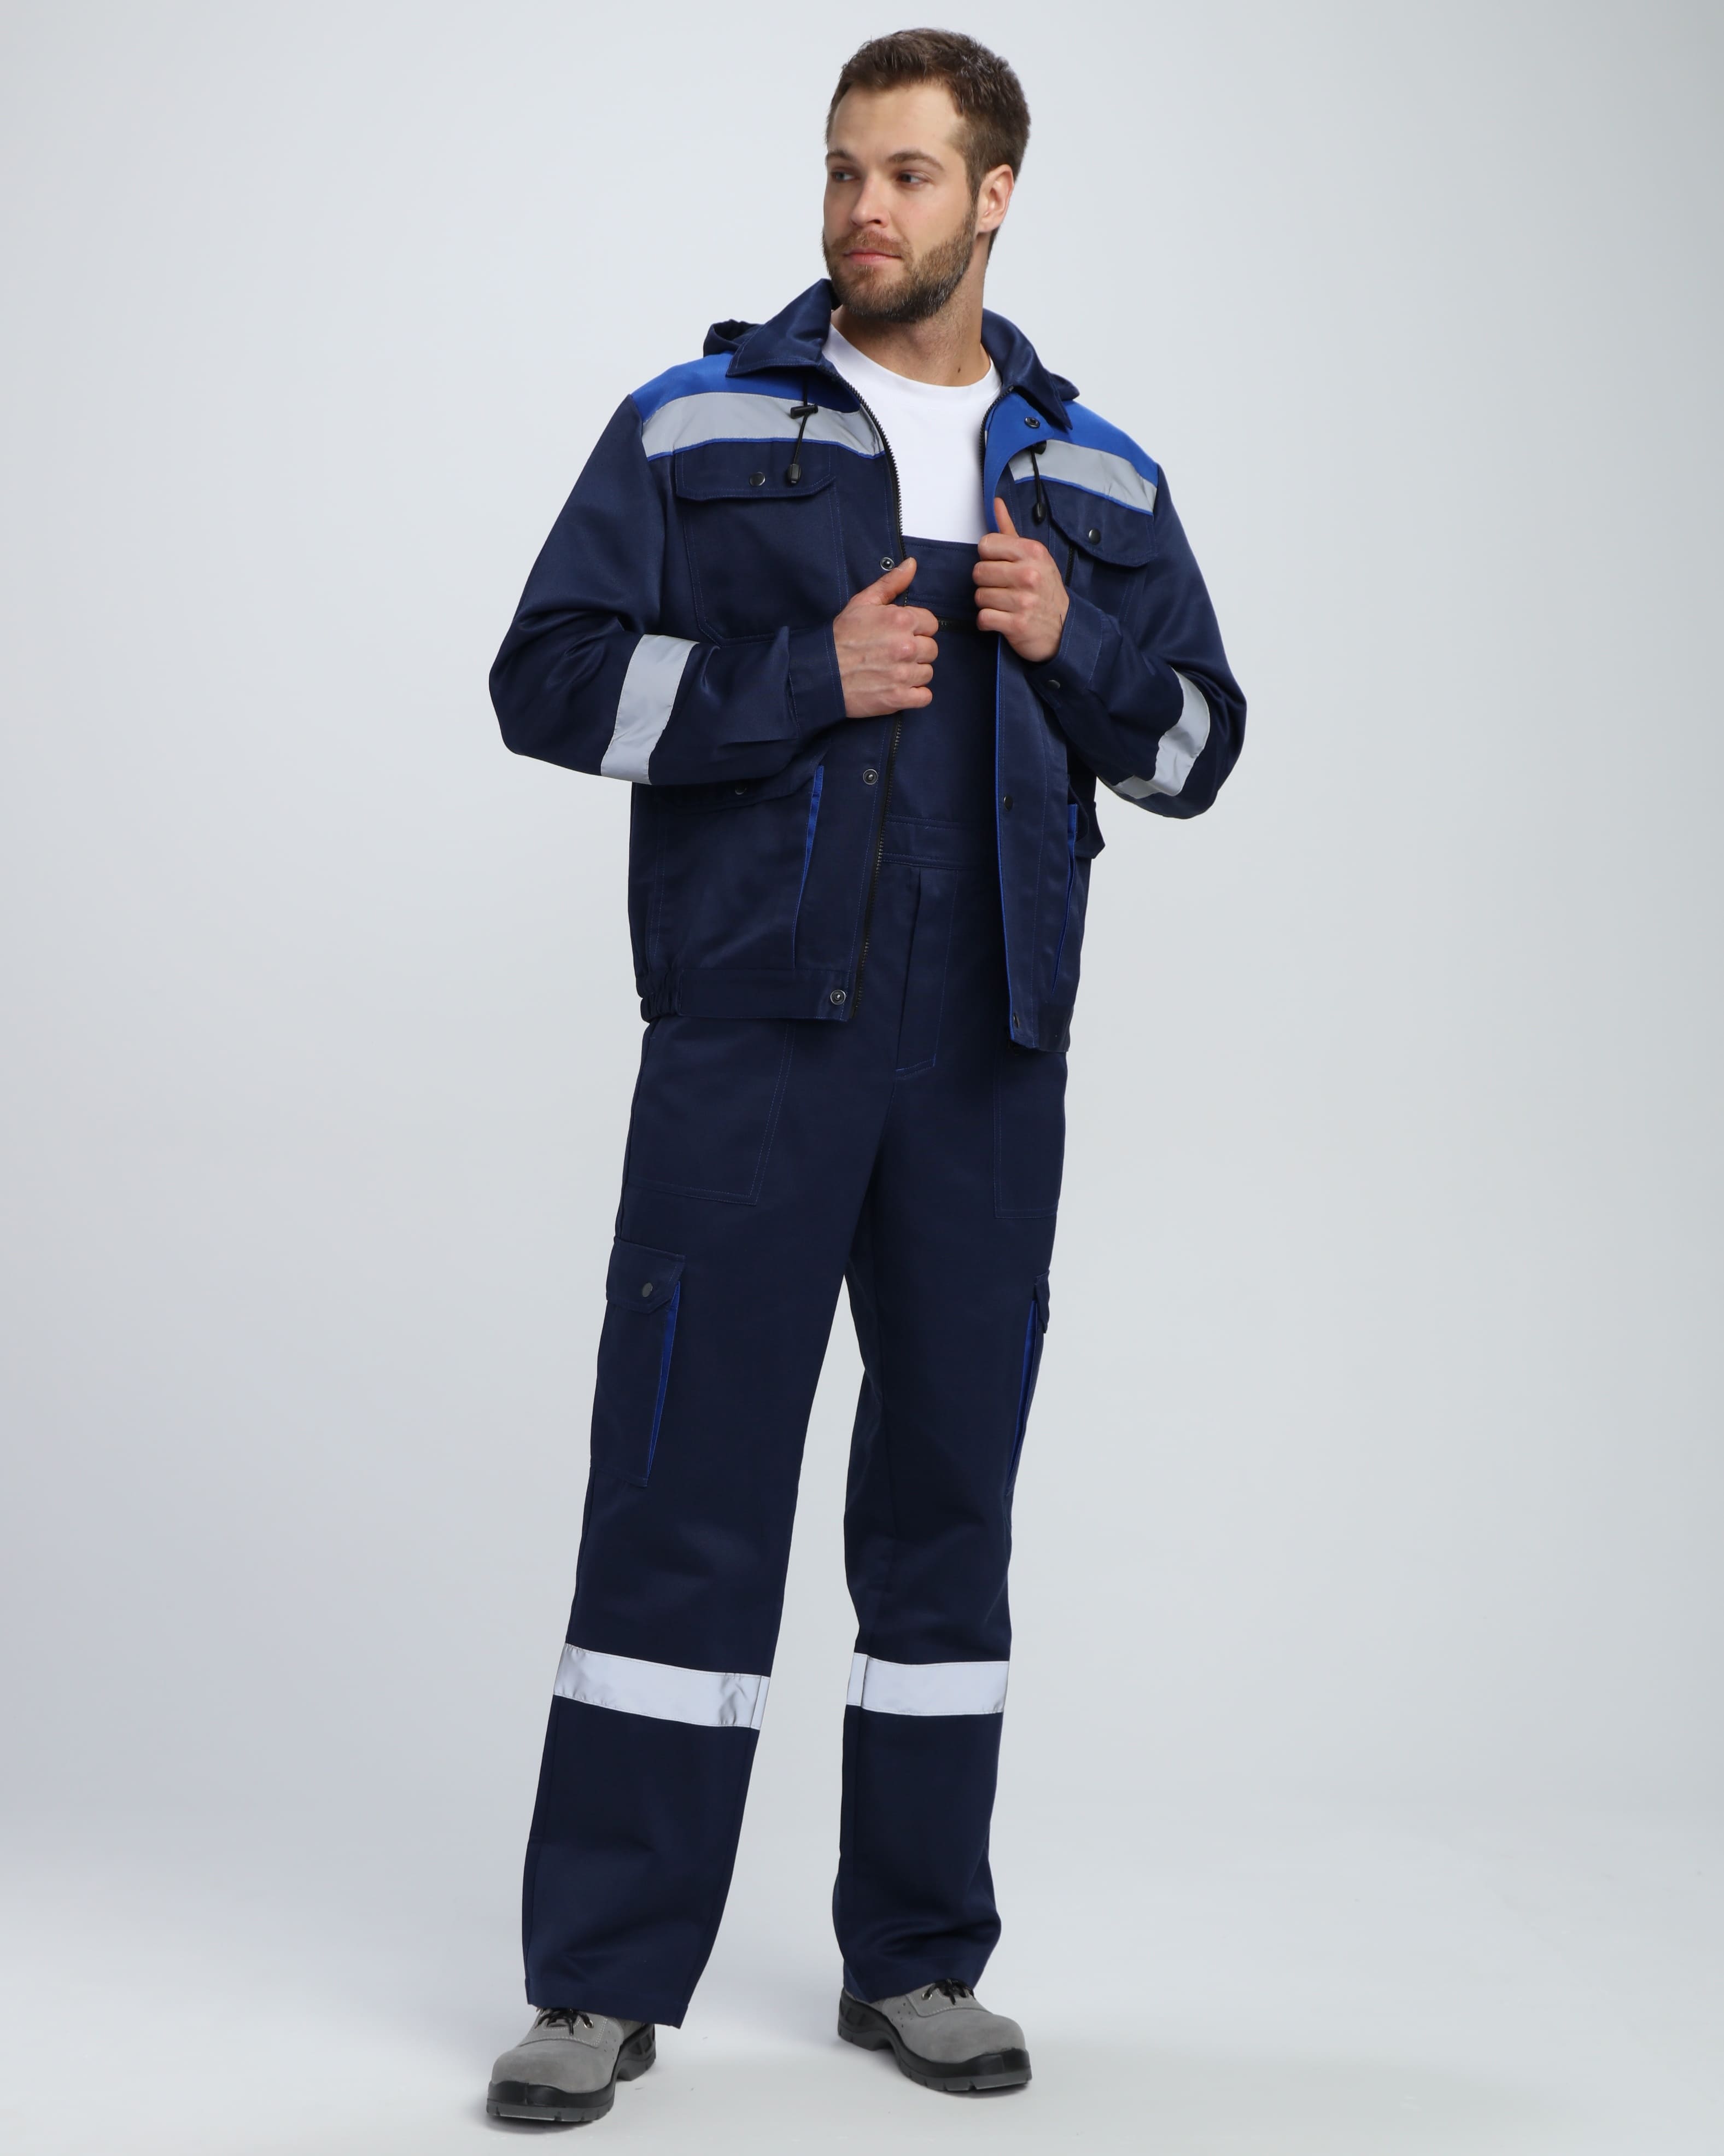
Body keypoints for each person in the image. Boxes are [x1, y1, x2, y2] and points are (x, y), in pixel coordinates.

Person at [483, 27, 1244, 2124]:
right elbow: (544, 679)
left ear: (994, 196)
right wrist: (792, 680)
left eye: (906, 174)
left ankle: (916, 1960)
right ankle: (597, 1983)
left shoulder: (1097, 479)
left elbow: (1197, 748)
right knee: (682, 1495)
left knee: (945, 1517)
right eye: (841, 170)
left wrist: (1074, 643)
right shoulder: (694, 420)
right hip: (750, 1042)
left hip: (989, 1057)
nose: (861, 210)